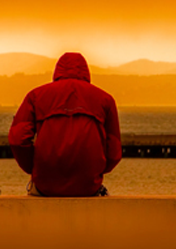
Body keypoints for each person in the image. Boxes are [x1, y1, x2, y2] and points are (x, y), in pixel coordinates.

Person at [8, 52, 122, 197]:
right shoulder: (105, 100)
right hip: (88, 186)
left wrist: (35, 168)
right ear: (86, 72)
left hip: (45, 185)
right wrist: (96, 171)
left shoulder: (35, 96)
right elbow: (114, 150)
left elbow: (17, 139)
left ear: (57, 71)